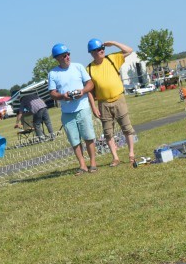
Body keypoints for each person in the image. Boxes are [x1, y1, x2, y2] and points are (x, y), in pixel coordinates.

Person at [85, 38, 138, 166]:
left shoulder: (112, 58)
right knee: (108, 132)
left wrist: (113, 43)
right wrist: (93, 107)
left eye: (102, 48)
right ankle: (115, 158)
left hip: (119, 99)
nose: (101, 51)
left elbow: (129, 50)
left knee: (127, 128)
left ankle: (131, 154)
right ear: (92, 52)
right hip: (103, 103)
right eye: (98, 49)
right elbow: (89, 91)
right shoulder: (89, 69)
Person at [47, 43, 98, 174]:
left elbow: (90, 84)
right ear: (57, 58)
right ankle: (82, 165)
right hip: (67, 112)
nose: (67, 57)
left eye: (68, 54)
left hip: (83, 108)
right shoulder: (53, 73)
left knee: (88, 137)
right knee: (74, 140)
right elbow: (52, 93)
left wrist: (82, 91)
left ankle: (93, 164)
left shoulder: (78, 67)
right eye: (64, 55)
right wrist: (63, 96)